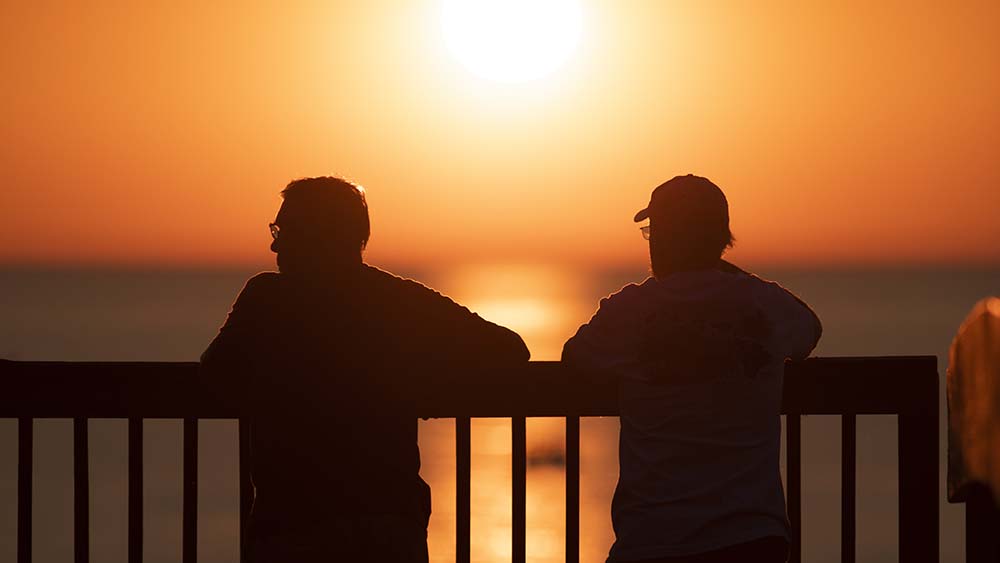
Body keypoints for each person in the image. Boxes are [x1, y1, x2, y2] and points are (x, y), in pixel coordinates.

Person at [201, 176, 529, 562]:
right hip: (388, 527)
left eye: (284, 229)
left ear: (317, 233)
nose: (274, 243)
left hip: (292, 526)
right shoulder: (399, 300)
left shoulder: (266, 299)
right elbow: (509, 349)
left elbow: (215, 374)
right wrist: (412, 381)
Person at [562, 174, 822, 563]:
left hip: (653, 541)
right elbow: (808, 330)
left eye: (654, 232)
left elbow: (575, 358)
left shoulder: (629, 311)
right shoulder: (763, 304)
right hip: (752, 539)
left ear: (663, 239)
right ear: (722, 240)